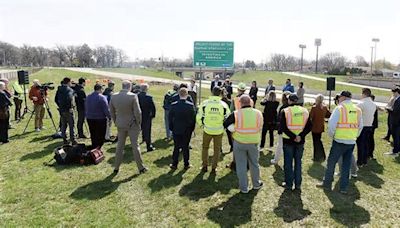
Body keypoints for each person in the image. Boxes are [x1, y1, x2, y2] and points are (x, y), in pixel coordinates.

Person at [317, 91, 363, 194]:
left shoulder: (339, 109)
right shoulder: (358, 110)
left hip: (339, 141)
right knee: (346, 165)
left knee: (331, 163)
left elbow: (331, 125)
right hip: (351, 142)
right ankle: (343, 188)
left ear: (342, 97)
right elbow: (360, 126)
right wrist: (354, 136)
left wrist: (332, 135)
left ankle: (327, 183)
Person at [224, 95, 264, 193]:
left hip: (239, 142)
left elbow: (225, 124)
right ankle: (256, 184)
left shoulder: (236, 113)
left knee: (241, 165)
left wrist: (233, 129)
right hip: (253, 142)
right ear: (250, 102)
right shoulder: (258, 113)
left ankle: (244, 188)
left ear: (240, 103)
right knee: (254, 164)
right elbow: (260, 126)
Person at [110, 80, 147, 174]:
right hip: (132, 124)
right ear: (129, 87)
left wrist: (116, 121)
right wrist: (139, 123)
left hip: (120, 123)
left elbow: (111, 111)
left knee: (120, 146)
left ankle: (116, 167)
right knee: (135, 146)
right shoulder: (133, 96)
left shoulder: (114, 96)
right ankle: (141, 167)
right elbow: (138, 112)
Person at [279, 94, 312, 190]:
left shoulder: (285, 111)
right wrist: (300, 136)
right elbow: (309, 126)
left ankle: (289, 183)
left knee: (288, 163)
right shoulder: (305, 111)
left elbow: (282, 128)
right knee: (298, 162)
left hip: (288, 141)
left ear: (289, 101)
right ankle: (298, 184)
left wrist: (293, 136)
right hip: (300, 141)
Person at [197, 86, 230, 173]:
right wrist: (224, 127)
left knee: (205, 148)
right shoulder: (224, 105)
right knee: (217, 150)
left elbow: (199, 116)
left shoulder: (205, 103)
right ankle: (214, 168)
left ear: (211, 92)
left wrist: (202, 125)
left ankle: (204, 166)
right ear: (220, 94)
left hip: (207, 130)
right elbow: (228, 118)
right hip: (219, 131)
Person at [168, 88, 196, 169]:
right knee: (185, 146)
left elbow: (170, 118)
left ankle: (174, 163)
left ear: (179, 95)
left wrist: (171, 127)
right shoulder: (190, 106)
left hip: (176, 128)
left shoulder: (174, 105)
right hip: (187, 129)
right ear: (187, 95)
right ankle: (186, 164)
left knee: (176, 146)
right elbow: (193, 119)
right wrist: (192, 129)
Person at [85, 84, 111, 149]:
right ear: (100, 89)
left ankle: (94, 145)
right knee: (101, 134)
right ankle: (99, 146)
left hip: (90, 117)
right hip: (100, 118)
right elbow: (106, 109)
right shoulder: (102, 98)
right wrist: (109, 117)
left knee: (93, 132)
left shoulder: (88, 96)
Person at [356, 88, 377, 166]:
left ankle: (360, 161)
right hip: (369, 125)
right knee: (366, 144)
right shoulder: (373, 104)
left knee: (360, 144)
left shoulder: (361, 103)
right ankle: (365, 160)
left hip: (362, 126)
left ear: (363, 94)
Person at [309, 94, 331, 162]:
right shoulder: (324, 107)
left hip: (315, 127)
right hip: (321, 127)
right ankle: (321, 156)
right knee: (318, 140)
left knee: (316, 142)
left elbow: (310, 117)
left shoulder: (314, 107)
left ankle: (317, 156)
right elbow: (329, 115)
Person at [271, 91, 291, 165]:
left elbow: (279, 119)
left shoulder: (282, 108)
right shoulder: (291, 107)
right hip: (291, 129)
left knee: (280, 145)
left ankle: (276, 160)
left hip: (282, 129)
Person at [55, 77, 76, 145]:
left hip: (61, 110)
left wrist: (60, 106)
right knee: (71, 125)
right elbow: (70, 98)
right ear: (68, 82)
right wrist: (70, 107)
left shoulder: (59, 89)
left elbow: (55, 99)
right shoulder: (69, 90)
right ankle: (73, 139)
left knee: (64, 125)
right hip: (68, 110)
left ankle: (65, 139)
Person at [138, 83, 156, 152]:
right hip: (147, 116)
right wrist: (153, 115)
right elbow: (153, 107)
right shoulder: (149, 97)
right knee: (147, 131)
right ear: (146, 89)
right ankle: (148, 146)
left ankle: (137, 143)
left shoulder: (137, 96)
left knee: (138, 130)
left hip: (138, 115)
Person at [385, 87, 400, 156]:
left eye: (394, 92)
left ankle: (395, 151)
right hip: (396, 120)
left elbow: (395, 111)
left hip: (396, 121)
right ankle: (397, 149)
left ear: (397, 92)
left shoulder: (398, 100)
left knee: (395, 136)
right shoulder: (397, 99)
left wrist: (388, 109)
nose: (393, 94)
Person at [369, 94, 378, 160]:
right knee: (370, 139)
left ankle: (370, 153)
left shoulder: (372, 106)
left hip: (371, 125)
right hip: (371, 125)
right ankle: (370, 153)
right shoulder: (373, 106)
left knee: (370, 139)